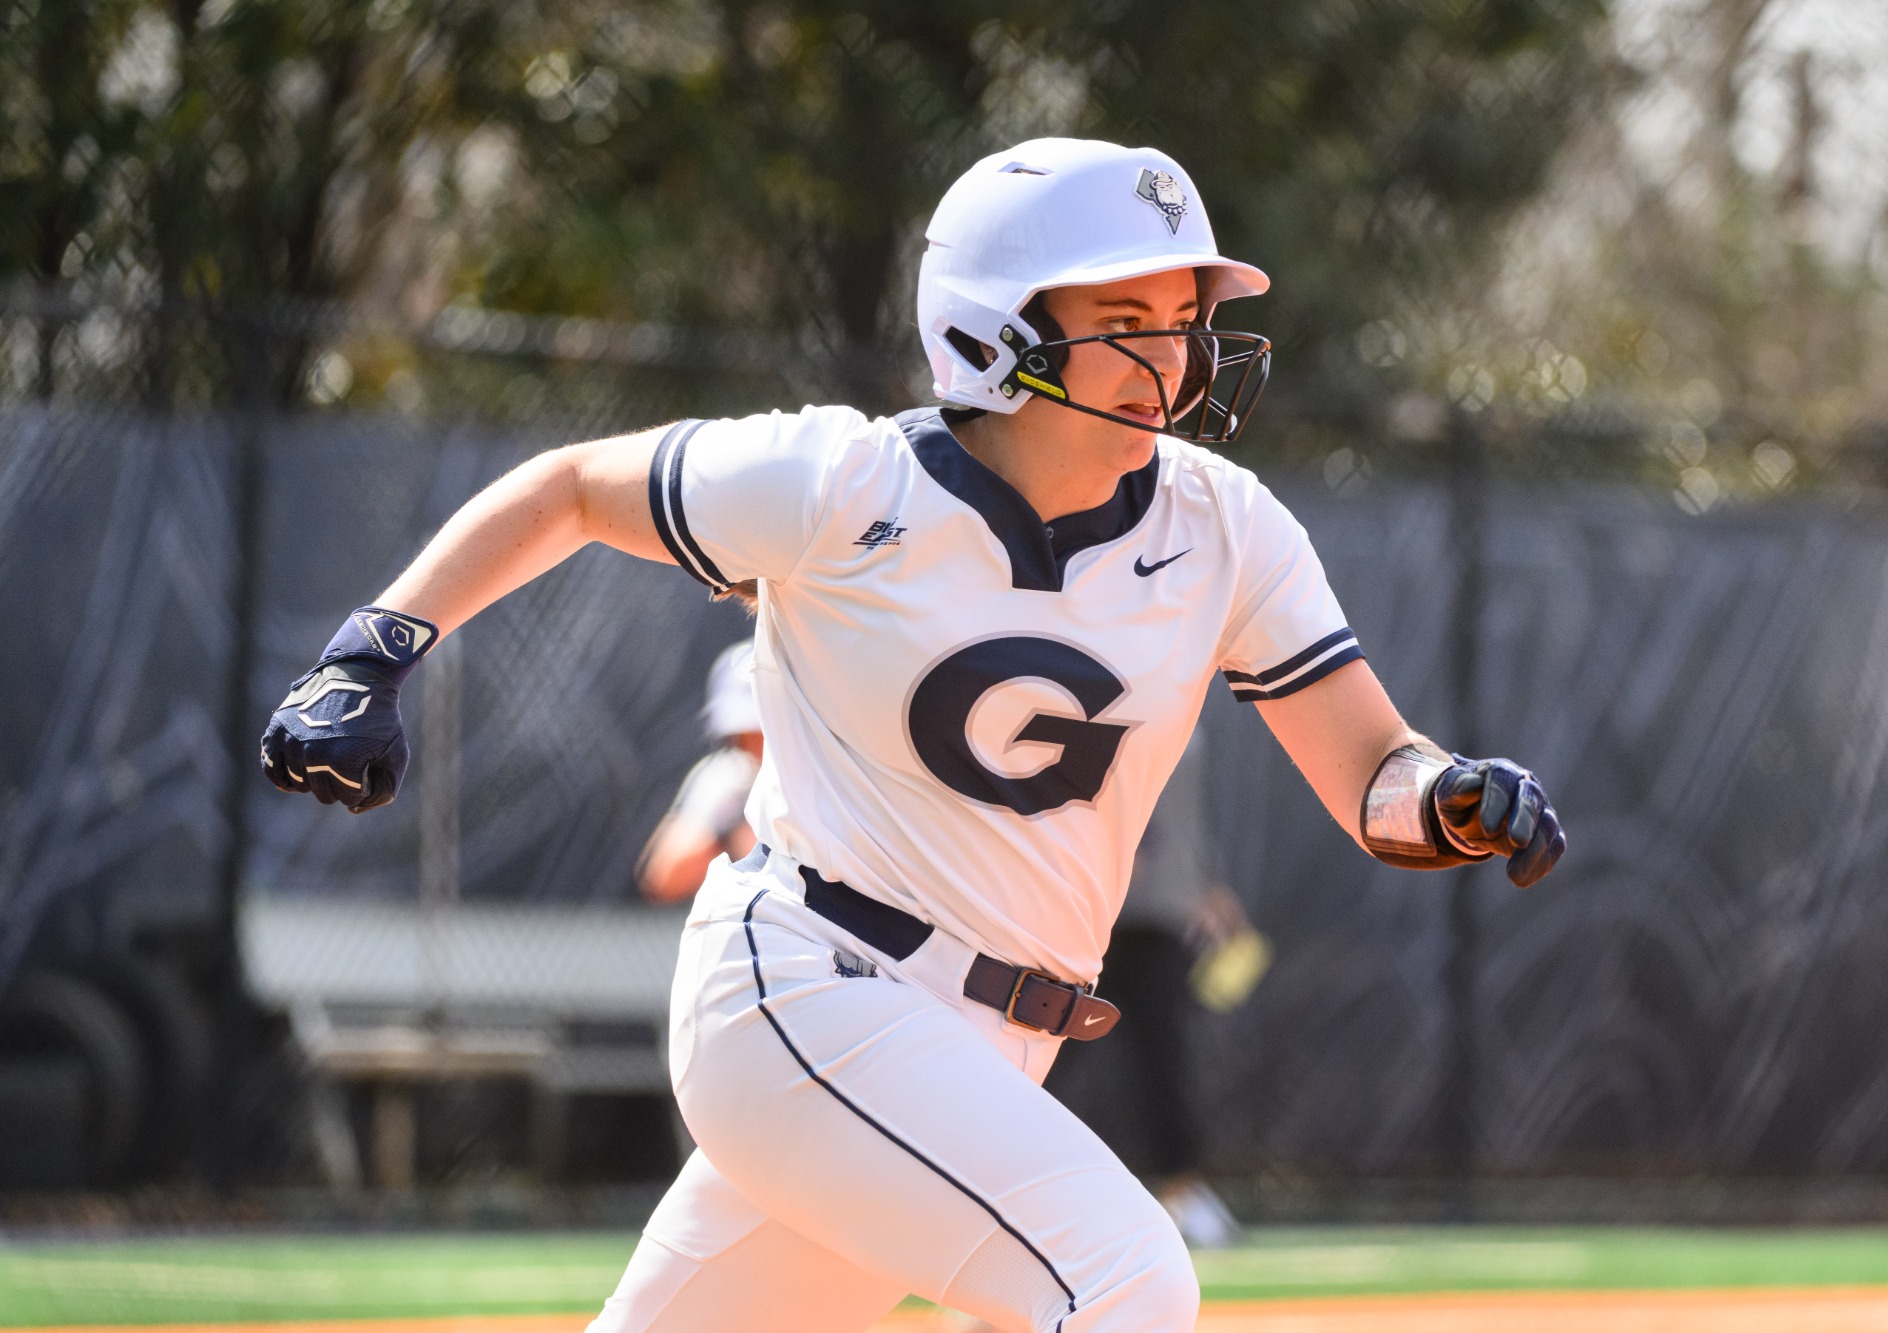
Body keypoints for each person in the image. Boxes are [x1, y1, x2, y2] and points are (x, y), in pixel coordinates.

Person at [259, 137, 1564, 1333]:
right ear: (994, 335)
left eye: (1187, 319)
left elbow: (1371, 771)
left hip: (988, 1040)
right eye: (1127, 321)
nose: (1177, 358)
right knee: (1124, 1276)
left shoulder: (1225, 525)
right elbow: (573, 489)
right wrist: (368, 653)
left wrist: (1447, 793)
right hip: (806, 981)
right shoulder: (843, 482)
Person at [1046, 728, 1249, 1250]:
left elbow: (1186, 819)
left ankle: (1185, 1192)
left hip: (1161, 920)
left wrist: (1207, 883)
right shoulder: (1095, 693)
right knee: (1044, 1057)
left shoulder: (1189, 720)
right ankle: (1017, 1188)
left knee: (1166, 1060)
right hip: (1088, 917)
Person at [636, 640, 763, 903]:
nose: (756, 744)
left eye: (763, 730)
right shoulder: (729, 779)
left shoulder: (831, 773)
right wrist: (730, 830)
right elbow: (664, 879)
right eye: (744, 734)